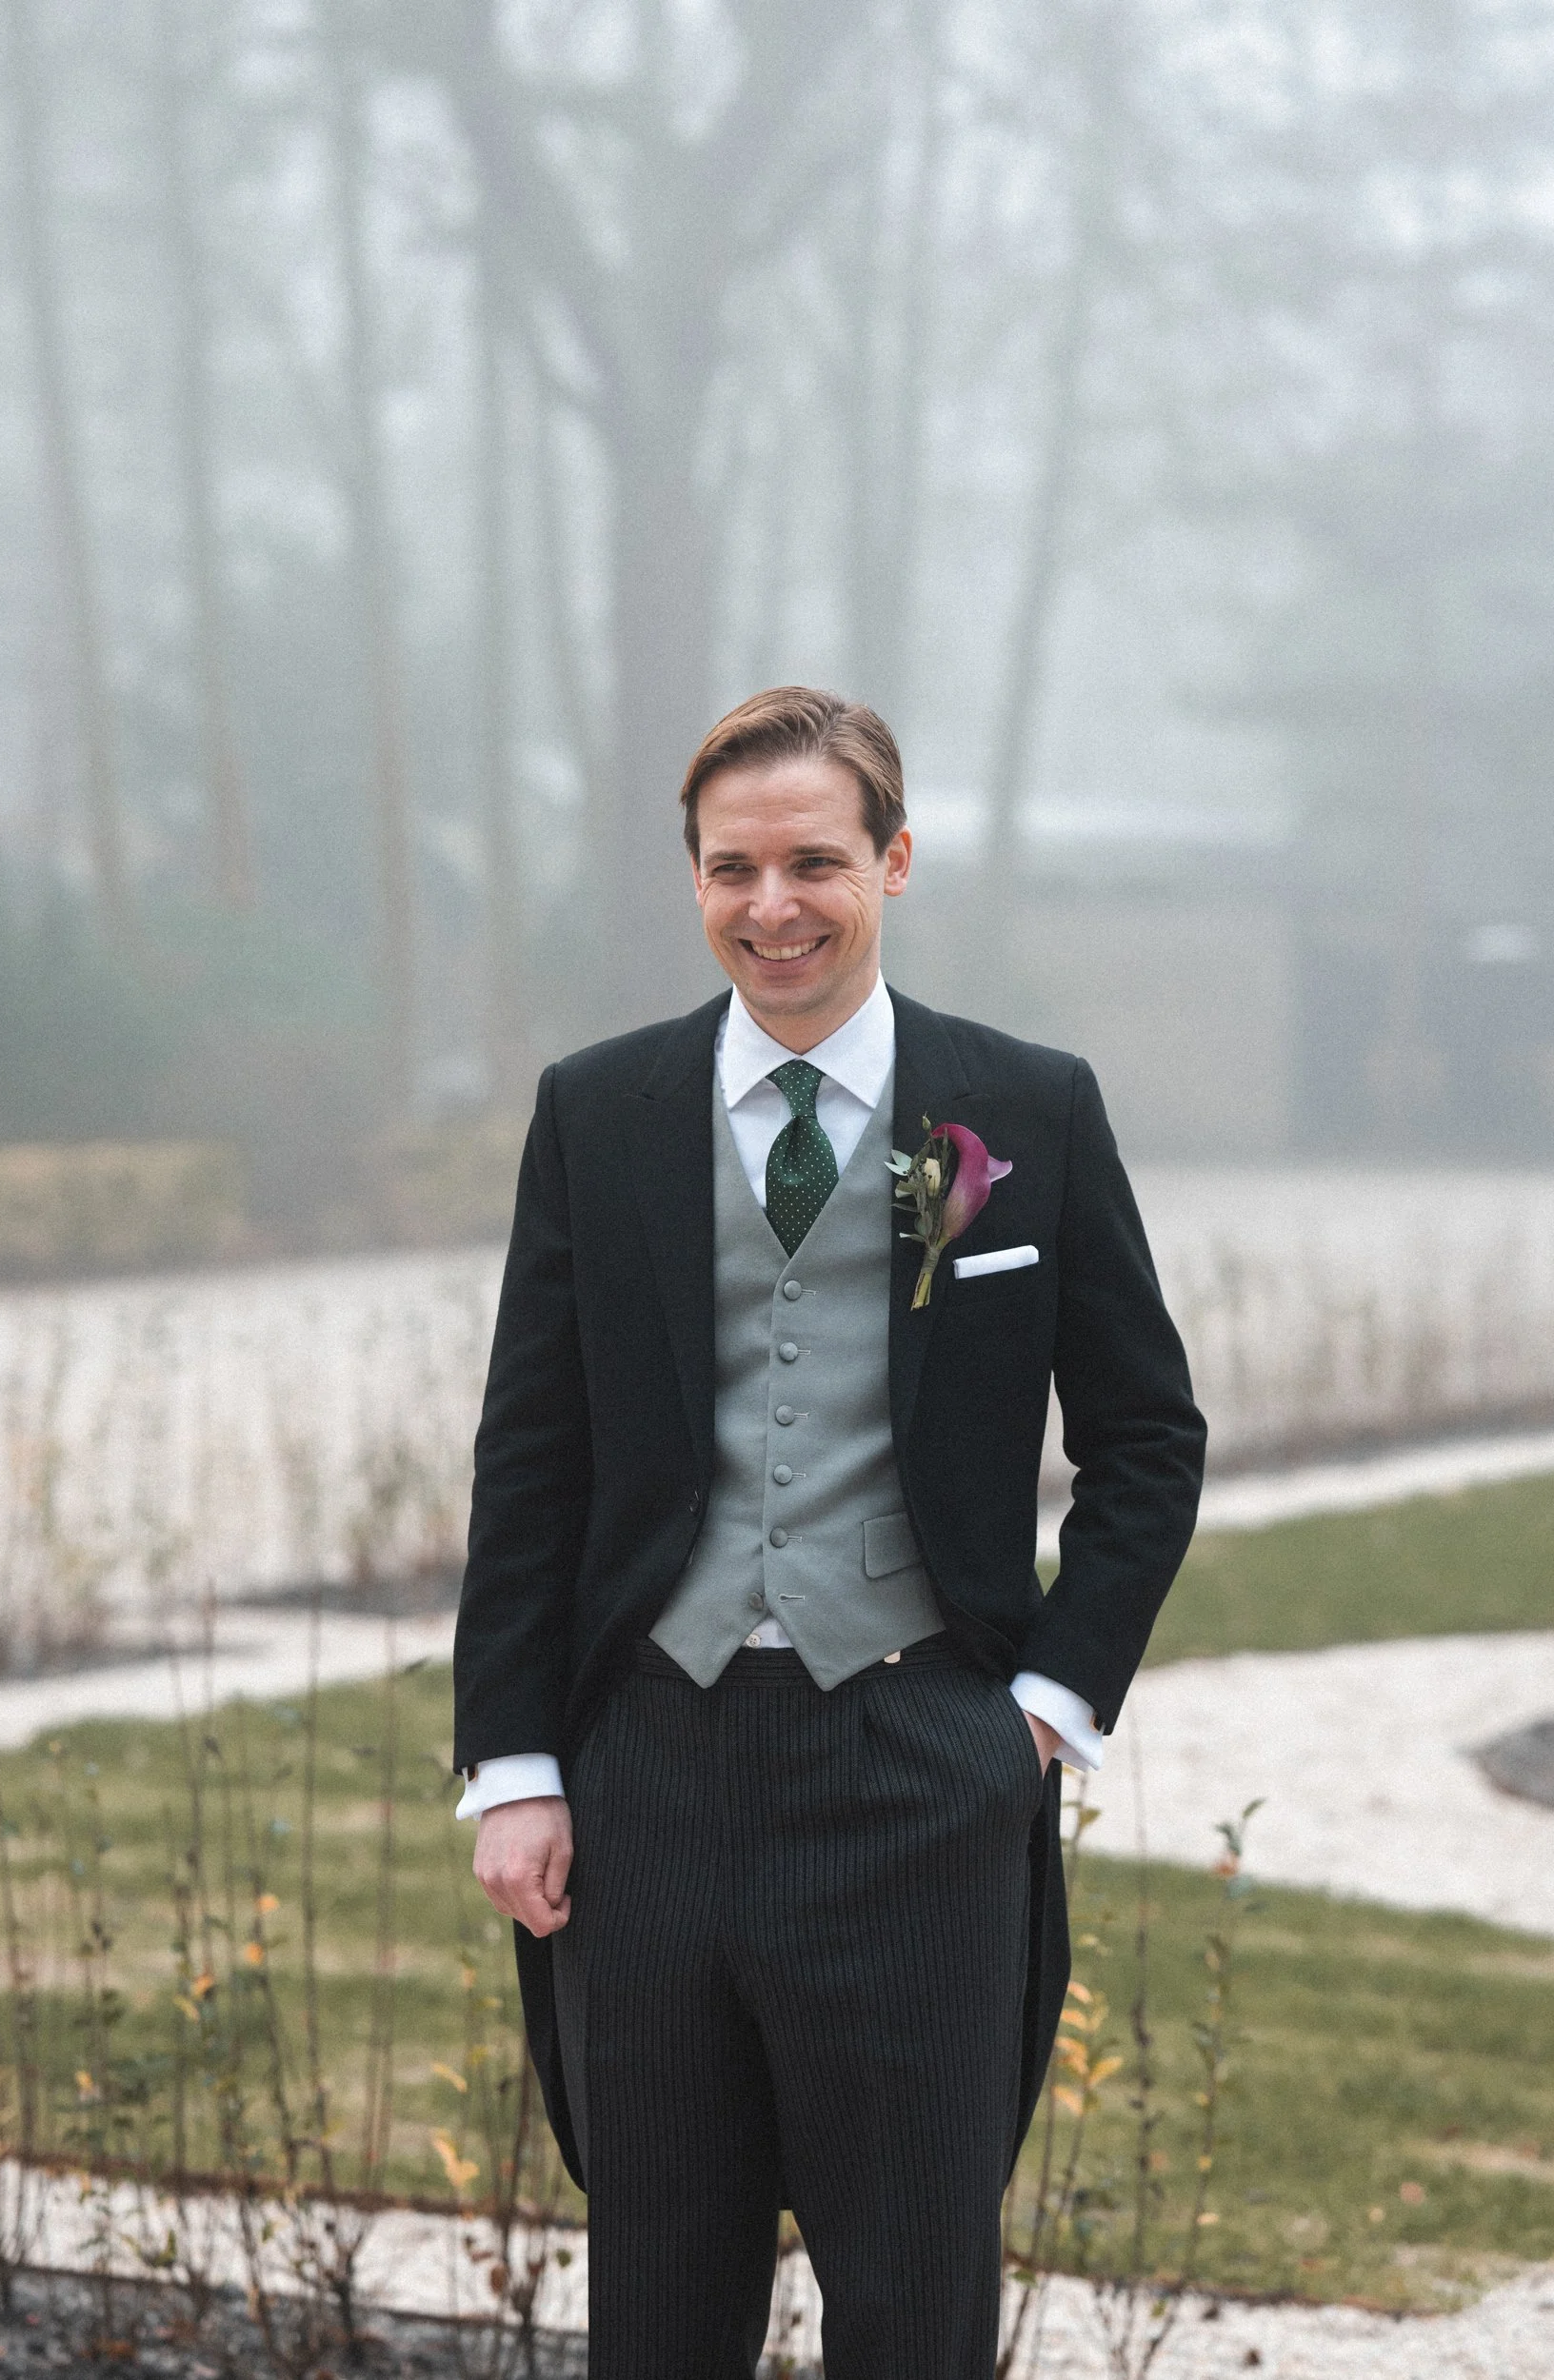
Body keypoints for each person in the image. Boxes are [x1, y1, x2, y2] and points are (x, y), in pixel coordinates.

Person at [453, 686, 1205, 2379]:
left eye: (811, 861)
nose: (770, 906)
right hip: (647, 1764)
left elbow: (1147, 1439)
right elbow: (533, 1454)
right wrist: (512, 1764)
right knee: (655, 2300)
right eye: (732, 869)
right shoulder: (600, 1111)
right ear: (695, 882)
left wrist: (1043, 1714)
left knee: (916, 2302)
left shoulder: (1022, 1109)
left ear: (894, 861)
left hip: (919, 1767)